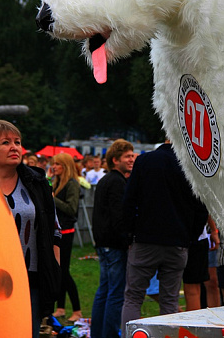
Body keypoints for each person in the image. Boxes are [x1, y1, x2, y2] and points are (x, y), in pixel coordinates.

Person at [121, 140, 208, 338]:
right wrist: (190, 237)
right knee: (170, 300)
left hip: (145, 239)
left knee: (134, 296)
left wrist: (128, 234)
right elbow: (201, 207)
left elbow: (129, 200)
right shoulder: (191, 165)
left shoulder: (145, 161)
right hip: (178, 243)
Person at [0, 119, 61, 338]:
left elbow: (54, 230)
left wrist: (54, 268)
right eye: (5, 142)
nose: (15, 147)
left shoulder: (36, 183)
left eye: (17, 142)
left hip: (29, 281)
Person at [90, 139, 135, 338]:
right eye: (127, 156)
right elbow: (118, 216)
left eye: (133, 155)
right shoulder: (117, 182)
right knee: (115, 293)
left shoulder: (105, 180)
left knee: (104, 290)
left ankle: (98, 332)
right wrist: (127, 240)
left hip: (103, 242)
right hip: (114, 244)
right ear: (115, 160)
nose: (132, 159)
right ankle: (109, 334)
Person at [51, 153, 82, 322]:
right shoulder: (57, 183)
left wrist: (54, 199)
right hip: (57, 231)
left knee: (64, 271)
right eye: (53, 164)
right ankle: (61, 307)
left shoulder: (72, 184)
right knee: (59, 271)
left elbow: (71, 209)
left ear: (65, 166)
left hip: (66, 232)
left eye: (58, 164)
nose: (54, 167)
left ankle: (77, 310)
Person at [183, 215, 220, 310]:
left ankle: (213, 319)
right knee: (192, 288)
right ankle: (192, 322)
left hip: (198, 238)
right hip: (188, 237)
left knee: (209, 282)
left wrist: (213, 230)